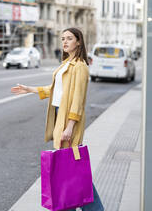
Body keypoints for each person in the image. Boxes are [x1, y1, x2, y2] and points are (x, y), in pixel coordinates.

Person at [11, 27, 104, 211]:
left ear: (79, 41)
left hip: (69, 119)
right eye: (63, 38)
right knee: (69, 168)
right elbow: (56, 90)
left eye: (69, 38)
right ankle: (79, 206)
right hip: (60, 116)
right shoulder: (65, 64)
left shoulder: (80, 66)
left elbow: (77, 100)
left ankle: (90, 208)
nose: (65, 42)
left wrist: (70, 126)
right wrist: (30, 89)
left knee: (71, 167)